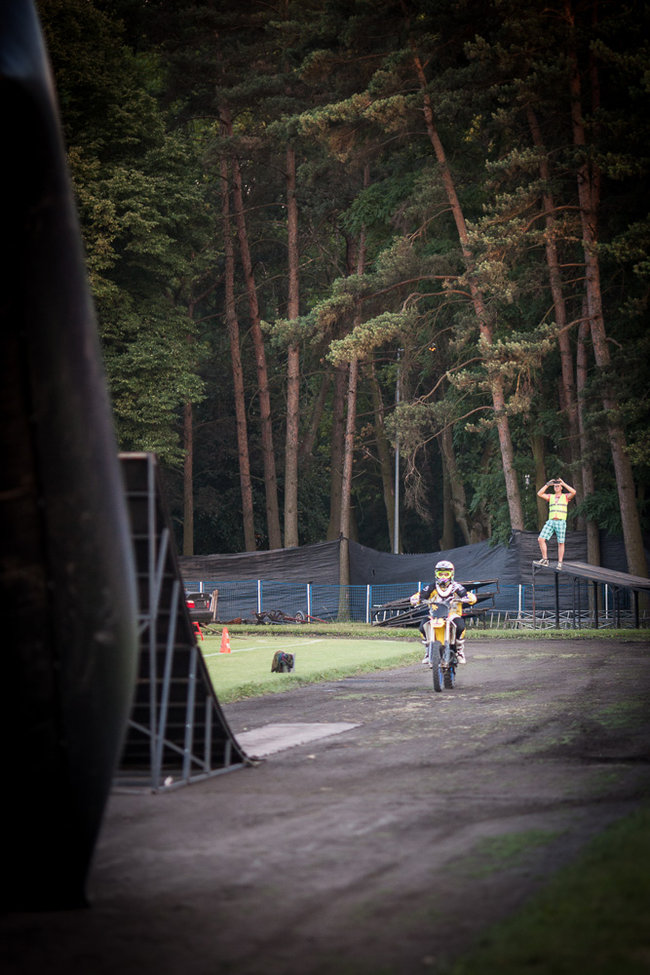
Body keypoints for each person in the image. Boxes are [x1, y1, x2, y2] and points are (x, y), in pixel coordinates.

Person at [409, 560, 477, 664]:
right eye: (440, 574)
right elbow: (420, 595)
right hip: (435, 615)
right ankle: (428, 650)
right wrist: (415, 599)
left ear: (451, 574)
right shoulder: (431, 588)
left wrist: (469, 598)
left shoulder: (456, 587)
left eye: (446, 574)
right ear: (436, 574)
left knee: (460, 625)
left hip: (452, 615)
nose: (443, 576)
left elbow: (466, 595)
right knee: (423, 625)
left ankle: (459, 650)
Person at [535, 477, 577, 569]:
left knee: (561, 543)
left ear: (561, 487)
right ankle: (545, 559)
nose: (557, 487)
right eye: (555, 486)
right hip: (551, 521)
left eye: (558, 486)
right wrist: (547, 484)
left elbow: (574, 492)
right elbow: (539, 493)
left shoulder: (565, 497)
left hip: (561, 522)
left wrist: (563, 483)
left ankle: (560, 563)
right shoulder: (551, 497)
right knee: (541, 539)